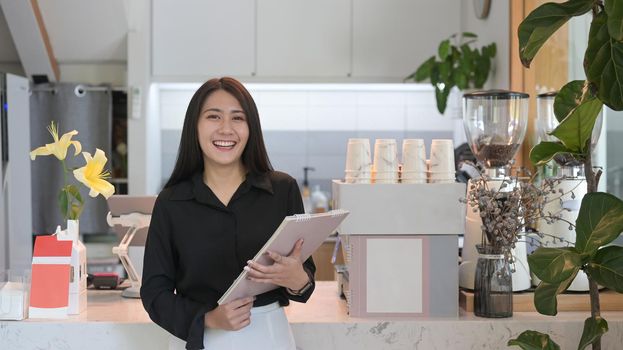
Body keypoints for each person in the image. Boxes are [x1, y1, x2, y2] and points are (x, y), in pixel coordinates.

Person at [140, 77, 315, 350]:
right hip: (200, 337)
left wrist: (297, 279)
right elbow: (154, 293)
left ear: (251, 128)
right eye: (213, 117)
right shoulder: (172, 201)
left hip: (270, 336)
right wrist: (208, 318)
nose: (226, 129)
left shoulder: (283, 190)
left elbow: (304, 279)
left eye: (238, 118)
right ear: (194, 127)